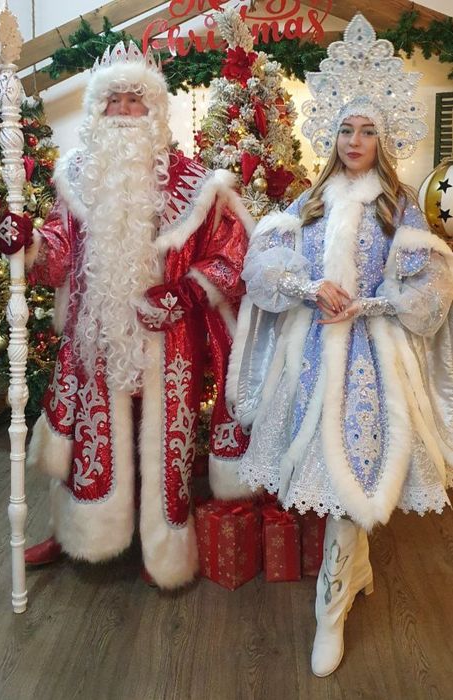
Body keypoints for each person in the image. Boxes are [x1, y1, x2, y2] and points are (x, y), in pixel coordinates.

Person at [226, 14, 453, 676]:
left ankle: (334, 600)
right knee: (325, 470)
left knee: (356, 467)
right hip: (311, 358)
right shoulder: (310, 202)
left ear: (383, 138)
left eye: (366, 131)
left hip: (374, 362)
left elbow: (431, 287)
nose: (354, 141)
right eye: (346, 130)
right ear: (331, 135)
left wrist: (375, 302)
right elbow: (263, 267)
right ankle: (347, 577)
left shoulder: (398, 205)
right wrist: (306, 287)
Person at [0, 41, 252, 589]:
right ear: (98, 109)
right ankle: (78, 531)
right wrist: (29, 244)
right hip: (98, 336)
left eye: (135, 99)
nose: (123, 110)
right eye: (112, 100)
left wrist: (185, 293)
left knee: (166, 445)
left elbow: (233, 256)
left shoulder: (195, 182)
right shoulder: (78, 177)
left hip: (169, 343)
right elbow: (59, 253)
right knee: (90, 439)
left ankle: (162, 546)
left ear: (154, 108)